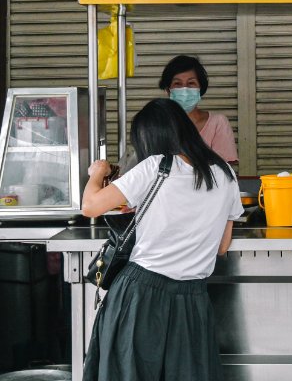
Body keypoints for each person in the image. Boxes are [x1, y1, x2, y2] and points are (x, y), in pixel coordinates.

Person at [81, 98, 243, 381]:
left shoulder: (155, 166)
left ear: (150, 139)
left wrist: (98, 173)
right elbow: (222, 245)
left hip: (139, 295)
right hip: (192, 299)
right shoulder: (226, 174)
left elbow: (90, 206)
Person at [160, 55, 238, 163]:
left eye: (191, 83)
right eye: (177, 83)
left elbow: (225, 169)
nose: (185, 89)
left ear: (200, 89)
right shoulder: (157, 124)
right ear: (168, 90)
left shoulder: (217, 123)